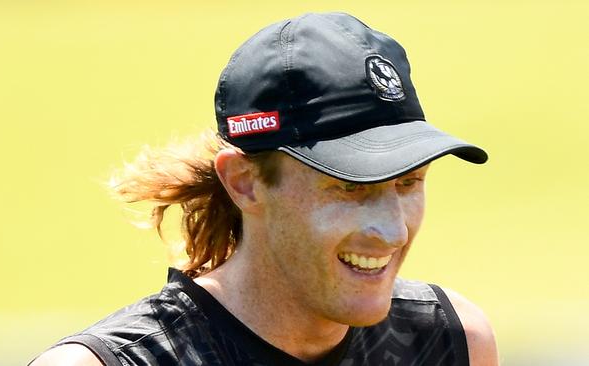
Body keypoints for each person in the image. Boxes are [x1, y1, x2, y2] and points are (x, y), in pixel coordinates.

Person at [30, 12, 498, 366]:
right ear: (245, 183)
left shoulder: (452, 344)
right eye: (350, 186)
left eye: (408, 181)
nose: (392, 231)